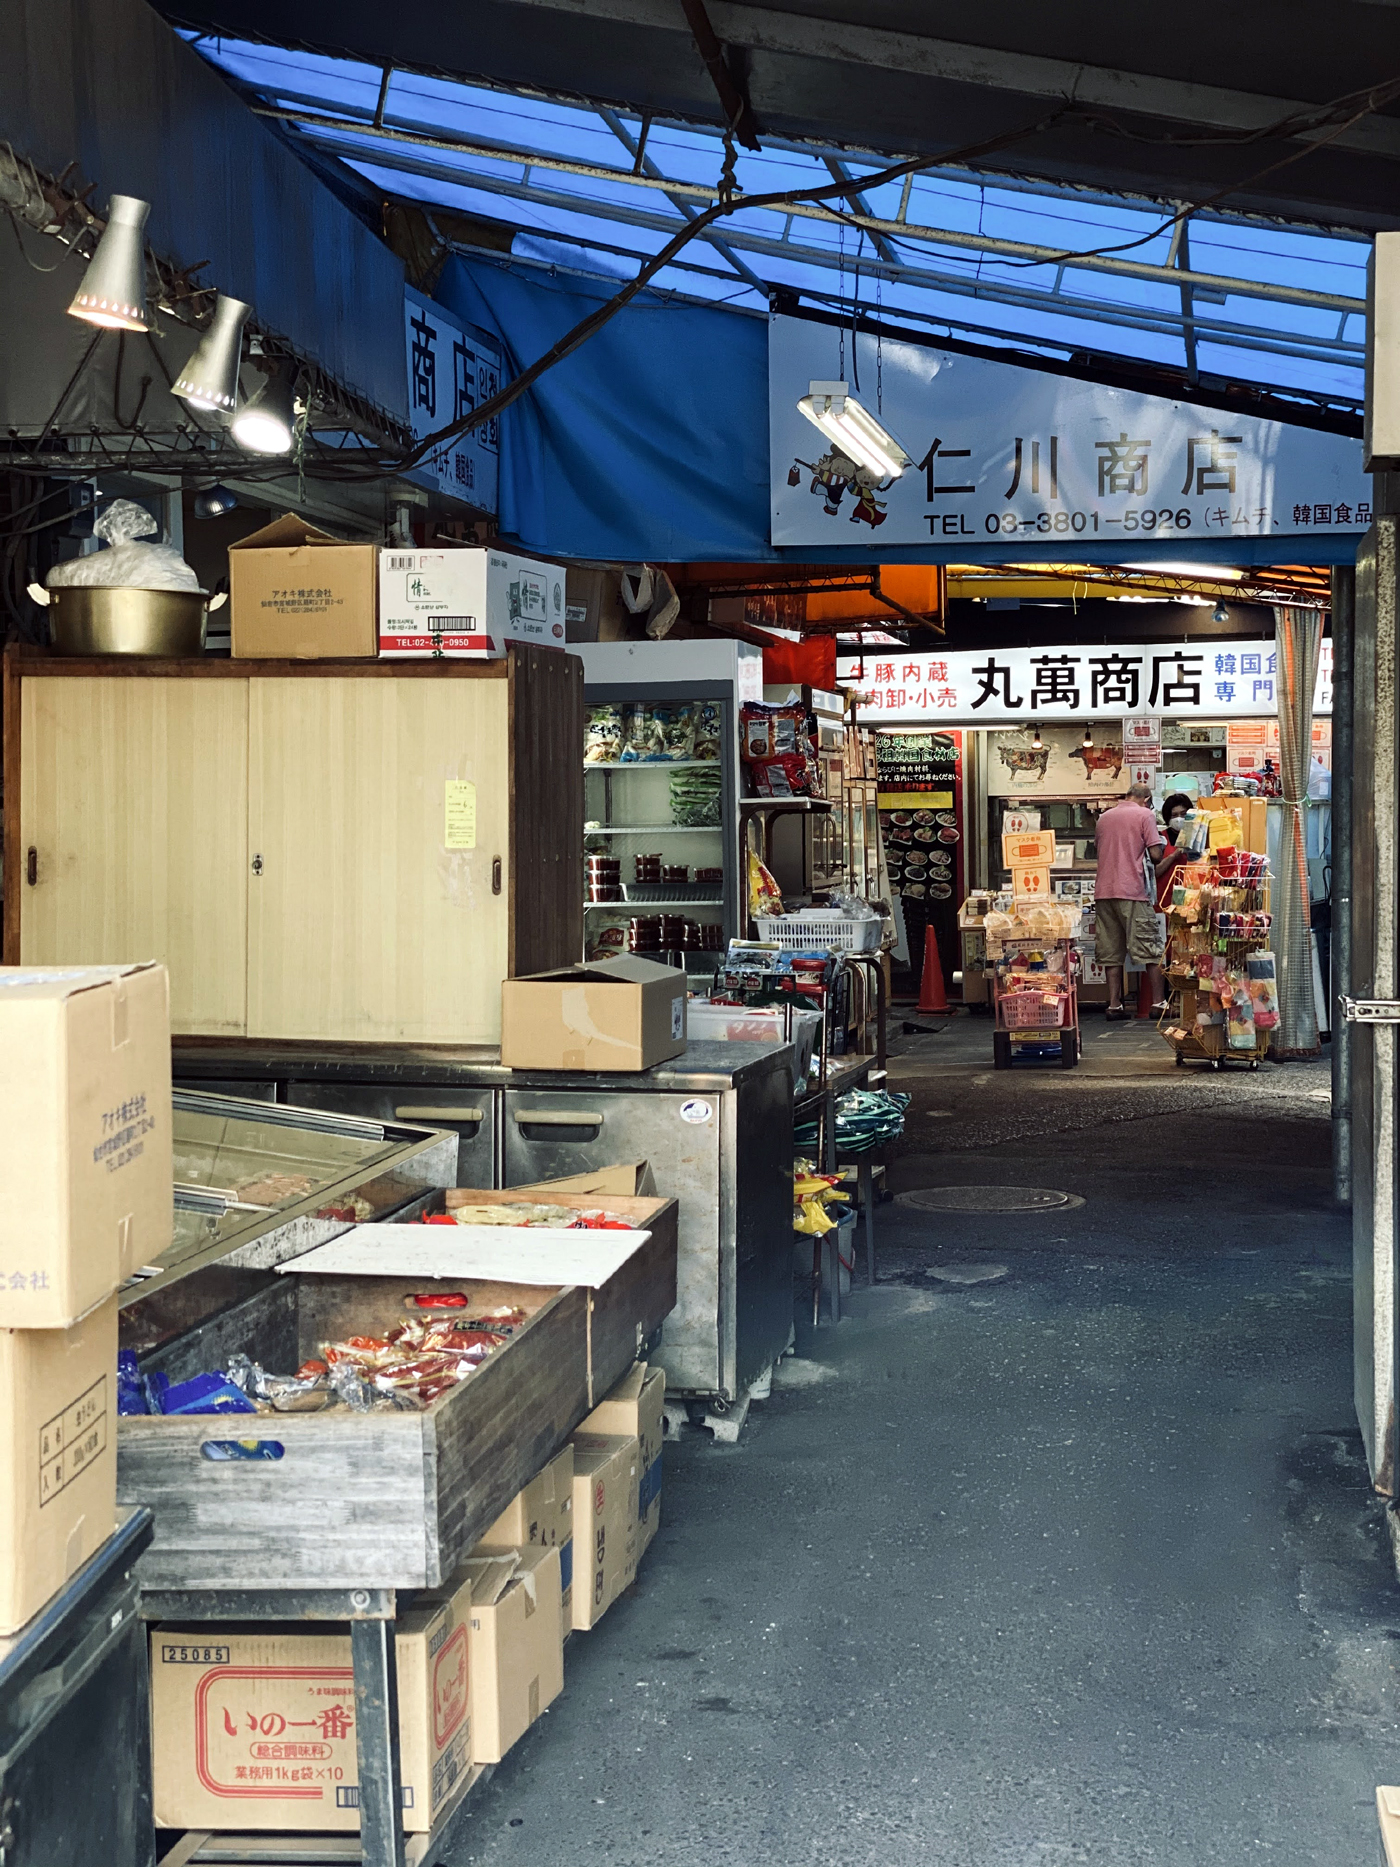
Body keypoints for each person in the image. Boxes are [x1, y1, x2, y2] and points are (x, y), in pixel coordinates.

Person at [1093, 783, 1192, 1019]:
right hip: (1133, 890)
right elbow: (1157, 855)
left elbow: (1100, 849)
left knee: (1111, 951)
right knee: (1151, 947)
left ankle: (1114, 1005)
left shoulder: (1104, 818)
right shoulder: (1144, 814)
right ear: (1147, 799)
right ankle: (1158, 1003)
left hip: (1104, 892)